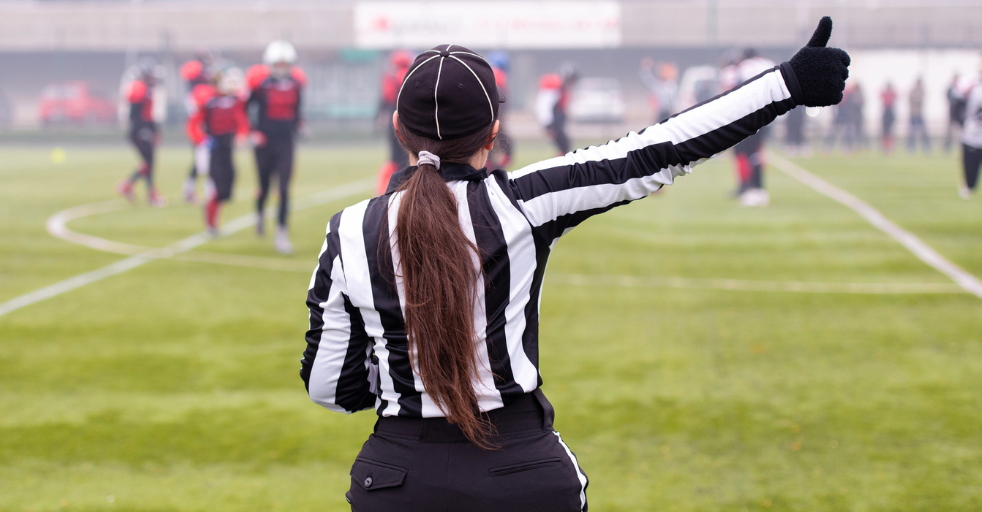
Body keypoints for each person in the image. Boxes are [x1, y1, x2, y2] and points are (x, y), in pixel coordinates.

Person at [302, 17, 849, 512]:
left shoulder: (347, 230)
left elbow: (330, 387)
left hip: (398, 481)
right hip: (521, 476)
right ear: (495, 133)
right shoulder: (524, 204)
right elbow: (660, 148)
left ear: (397, 127)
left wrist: (403, 381)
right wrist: (788, 84)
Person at [246, 40, 307, 254]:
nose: (281, 67)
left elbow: (298, 111)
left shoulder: (296, 85)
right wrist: (252, 132)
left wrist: (300, 125)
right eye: (278, 63)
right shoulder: (261, 85)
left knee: (283, 189)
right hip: (264, 142)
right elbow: (245, 109)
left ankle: (282, 232)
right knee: (263, 186)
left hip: (286, 141)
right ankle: (260, 215)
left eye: (285, 63)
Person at [187, 68, 250, 236]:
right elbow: (193, 124)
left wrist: (241, 135)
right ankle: (211, 224)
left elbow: (241, 119)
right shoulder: (207, 100)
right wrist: (203, 140)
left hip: (227, 147)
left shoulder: (234, 100)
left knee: (227, 186)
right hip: (211, 148)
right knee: (214, 186)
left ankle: (212, 218)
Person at [117, 58, 166, 207]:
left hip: (144, 128)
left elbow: (149, 114)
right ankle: (150, 193)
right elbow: (136, 114)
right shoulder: (138, 87)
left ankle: (128, 185)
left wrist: (155, 130)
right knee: (149, 162)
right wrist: (145, 130)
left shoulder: (147, 89)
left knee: (147, 162)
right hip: (139, 130)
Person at [730, 48, 775, 207]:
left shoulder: (744, 67)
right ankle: (759, 188)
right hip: (767, 115)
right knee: (757, 152)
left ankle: (748, 188)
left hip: (748, 115)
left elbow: (737, 90)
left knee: (744, 152)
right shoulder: (768, 64)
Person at [375, 50, 414, 196]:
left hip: (394, 121)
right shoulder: (410, 76)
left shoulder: (391, 78)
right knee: (406, 156)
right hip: (407, 122)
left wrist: (379, 117)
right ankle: (407, 186)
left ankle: (388, 187)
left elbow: (386, 99)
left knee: (394, 157)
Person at [180, 51, 216, 205]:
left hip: (205, 118)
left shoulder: (207, 80)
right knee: (203, 159)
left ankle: (190, 188)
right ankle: (199, 189)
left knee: (201, 159)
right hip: (197, 122)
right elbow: (189, 74)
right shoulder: (194, 71)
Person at [952, 63, 982, 199]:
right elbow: (956, 104)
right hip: (972, 132)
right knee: (970, 164)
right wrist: (961, 123)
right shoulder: (970, 85)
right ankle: (968, 185)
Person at [535, 64, 578, 156]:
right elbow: (544, 105)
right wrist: (548, 125)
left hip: (556, 120)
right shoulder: (555, 84)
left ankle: (561, 162)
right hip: (553, 122)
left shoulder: (562, 87)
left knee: (565, 146)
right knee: (564, 145)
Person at [486, 50, 515, 171]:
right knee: (503, 142)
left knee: (489, 144)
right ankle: (495, 168)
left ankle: (491, 167)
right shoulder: (498, 75)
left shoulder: (487, 73)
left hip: (487, 116)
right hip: (494, 116)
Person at [639, 57, 679, 122]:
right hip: (660, 113)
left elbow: (675, 100)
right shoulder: (657, 84)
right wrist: (646, 67)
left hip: (669, 112)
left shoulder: (671, 85)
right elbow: (647, 79)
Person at [907, 77, 931, 153]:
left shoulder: (922, 91)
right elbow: (911, 100)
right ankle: (911, 148)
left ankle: (926, 148)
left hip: (920, 114)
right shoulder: (913, 91)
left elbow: (922, 100)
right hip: (913, 114)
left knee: (924, 132)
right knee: (911, 133)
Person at [946, 73, 966, 153]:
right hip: (952, 114)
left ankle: (960, 147)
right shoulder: (951, 89)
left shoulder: (961, 89)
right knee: (949, 132)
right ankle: (947, 148)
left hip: (960, 116)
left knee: (960, 133)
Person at [880, 82, 898, 154]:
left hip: (890, 111)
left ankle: (890, 146)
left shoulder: (892, 93)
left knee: (890, 131)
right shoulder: (885, 93)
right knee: (885, 131)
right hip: (886, 112)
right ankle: (885, 146)